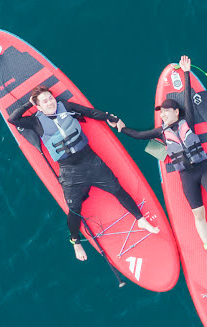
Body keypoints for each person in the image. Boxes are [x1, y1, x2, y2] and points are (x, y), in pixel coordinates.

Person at [8, 85, 159, 261]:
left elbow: (90, 112)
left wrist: (110, 117)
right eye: (45, 101)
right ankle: (76, 241)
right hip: (70, 171)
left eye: (51, 98)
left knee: (117, 188)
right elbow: (13, 119)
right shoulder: (35, 121)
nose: (50, 102)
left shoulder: (67, 107)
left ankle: (140, 218)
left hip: (91, 161)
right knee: (74, 209)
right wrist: (29, 104)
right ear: (39, 106)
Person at [114, 56, 207, 266]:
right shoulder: (160, 132)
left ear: (176, 112)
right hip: (186, 176)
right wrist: (122, 129)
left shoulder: (187, 120)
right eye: (161, 114)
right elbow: (140, 135)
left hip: (204, 168)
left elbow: (187, 97)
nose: (163, 116)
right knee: (198, 215)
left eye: (166, 113)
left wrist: (186, 73)